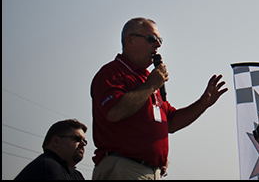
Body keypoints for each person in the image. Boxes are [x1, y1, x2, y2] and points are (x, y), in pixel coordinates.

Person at [90, 17, 227, 180]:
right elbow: (114, 111)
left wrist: (203, 103)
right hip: (124, 167)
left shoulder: (148, 79)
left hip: (151, 172)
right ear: (130, 41)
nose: (158, 45)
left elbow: (171, 123)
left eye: (159, 40)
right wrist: (150, 86)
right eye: (151, 39)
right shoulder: (112, 72)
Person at [13, 119, 88, 180]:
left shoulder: (76, 175)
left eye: (84, 141)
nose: (83, 144)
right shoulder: (46, 168)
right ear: (55, 141)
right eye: (77, 138)